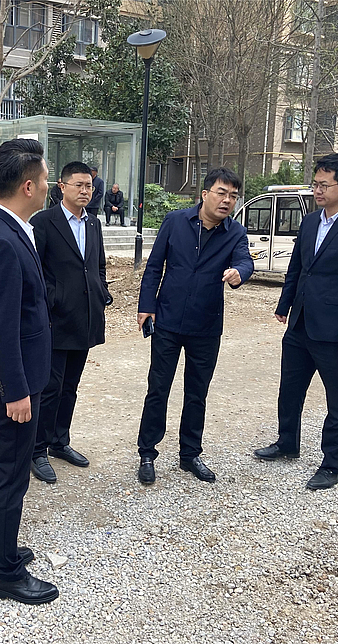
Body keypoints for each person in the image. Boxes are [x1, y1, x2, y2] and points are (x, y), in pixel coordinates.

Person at [253, 153, 338, 490]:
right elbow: (297, 269)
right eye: (315, 184)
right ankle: (286, 443)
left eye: (324, 185)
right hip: (300, 324)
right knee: (289, 389)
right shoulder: (310, 222)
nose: (317, 191)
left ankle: (332, 465)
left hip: (335, 332)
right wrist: (285, 305)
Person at [0, 139, 58, 605]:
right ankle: (4, 572)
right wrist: (16, 391)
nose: (48, 186)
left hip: (3, 377)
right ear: (27, 186)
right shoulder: (2, 237)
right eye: (45, 179)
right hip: (12, 381)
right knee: (10, 472)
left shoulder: (7, 225)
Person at [136, 167, 254, 485]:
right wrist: (146, 306)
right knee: (158, 389)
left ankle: (190, 454)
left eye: (233, 196)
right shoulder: (175, 221)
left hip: (206, 324)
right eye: (221, 193)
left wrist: (239, 273)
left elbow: (245, 261)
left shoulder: (235, 233)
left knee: (197, 393)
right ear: (205, 194)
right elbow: (154, 266)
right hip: (168, 320)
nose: (227, 200)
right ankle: (147, 453)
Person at [29, 162, 112, 484]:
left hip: (85, 317)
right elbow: (35, 270)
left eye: (89, 186)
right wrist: (54, 298)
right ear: (61, 187)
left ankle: (59, 441)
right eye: (78, 185)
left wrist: (101, 292)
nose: (85, 191)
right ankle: (37, 449)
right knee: (50, 388)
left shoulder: (93, 223)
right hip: (55, 319)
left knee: (70, 387)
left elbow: (98, 265)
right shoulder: (44, 222)